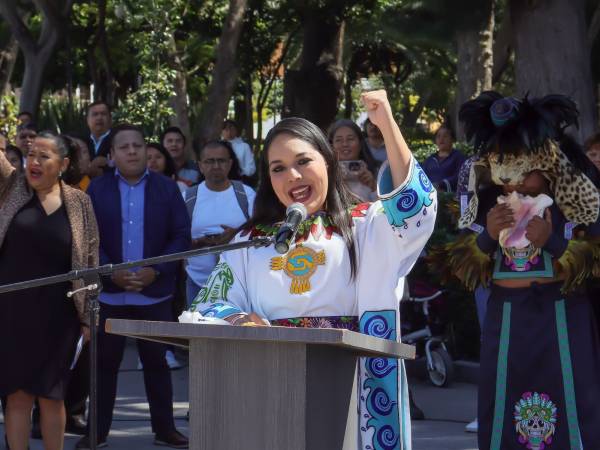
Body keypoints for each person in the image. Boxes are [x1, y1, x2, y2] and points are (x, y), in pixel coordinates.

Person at [187, 90, 437, 449]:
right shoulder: (251, 241)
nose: (293, 176)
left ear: (329, 162)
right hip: (270, 388)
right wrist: (241, 321)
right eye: (278, 168)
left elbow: (414, 211)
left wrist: (386, 123)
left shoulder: (366, 226)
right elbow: (209, 303)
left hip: (351, 388)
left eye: (304, 161)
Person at [443, 91, 600, 449]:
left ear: (547, 165)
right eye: (507, 175)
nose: (515, 185)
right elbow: (458, 267)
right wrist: (488, 238)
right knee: (505, 411)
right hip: (507, 322)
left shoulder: (574, 206)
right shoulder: (486, 206)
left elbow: (593, 262)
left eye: (526, 174)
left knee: (572, 409)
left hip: (562, 318)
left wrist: (555, 243)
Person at [79, 124, 190, 449]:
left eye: (137, 146)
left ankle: (165, 430)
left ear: (146, 151)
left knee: (157, 364)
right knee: (104, 366)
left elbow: (181, 235)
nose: (132, 151)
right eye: (124, 147)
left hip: (154, 294)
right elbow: (87, 236)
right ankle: (96, 432)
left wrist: (156, 270)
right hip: (110, 294)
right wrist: (108, 270)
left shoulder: (166, 189)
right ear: (111, 156)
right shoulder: (96, 190)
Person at [0, 131, 99, 450]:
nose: (34, 162)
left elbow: (91, 258)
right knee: (16, 395)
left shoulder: (79, 201)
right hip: (10, 312)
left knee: (51, 395)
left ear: (63, 163)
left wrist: (89, 316)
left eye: (45, 156)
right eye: (31, 155)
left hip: (60, 314)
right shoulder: (11, 187)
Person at [184, 140, 255, 305]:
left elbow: (259, 233)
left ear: (230, 164)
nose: (216, 166)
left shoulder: (246, 194)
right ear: (200, 166)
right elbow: (177, 238)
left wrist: (235, 235)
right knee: (196, 329)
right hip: (197, 282)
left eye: (221, 161)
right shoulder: (188, 197)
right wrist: (198, 243)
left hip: (239, 283)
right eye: (209, 161)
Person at [329, 119, 379, 202]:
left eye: (350, 139)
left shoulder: (377, 172)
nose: (345, 144)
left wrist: (374, 187)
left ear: (360, 143)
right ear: (332, 146)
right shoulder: (325, 173)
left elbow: (384, 209)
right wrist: (333, 181)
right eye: (338, 140)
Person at [421, 125, 466, 192]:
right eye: (438, 136)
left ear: (452, 139)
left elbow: (460, 176)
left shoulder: (458, 157)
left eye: (445, 136)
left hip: (450, 197)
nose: (441, 139)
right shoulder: (430, 160)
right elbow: (422, 177)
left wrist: (442, 184)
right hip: (429, 195)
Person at [86, 101, 113, 178]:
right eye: (95, 114)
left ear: (110, 119)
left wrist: (109, 163)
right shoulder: (81, 142)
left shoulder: (118, 140)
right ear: (87, 120)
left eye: (103, 114)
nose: (99, 117)